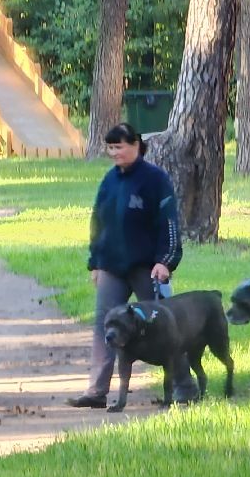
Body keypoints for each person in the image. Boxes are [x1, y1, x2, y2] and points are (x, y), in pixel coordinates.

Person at [68, 122, 194, 409]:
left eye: (119, 147)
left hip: (147, 267)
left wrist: (166, 261)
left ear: (136, 145)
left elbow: (169, 224)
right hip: (112, 266)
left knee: (166, 326)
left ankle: (184, 387)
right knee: (105, 325)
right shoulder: (109, 182)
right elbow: (98, 223)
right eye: (110, 147)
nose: (114, 153)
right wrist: (95, 263)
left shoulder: (155, 180)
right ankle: (97, 391)